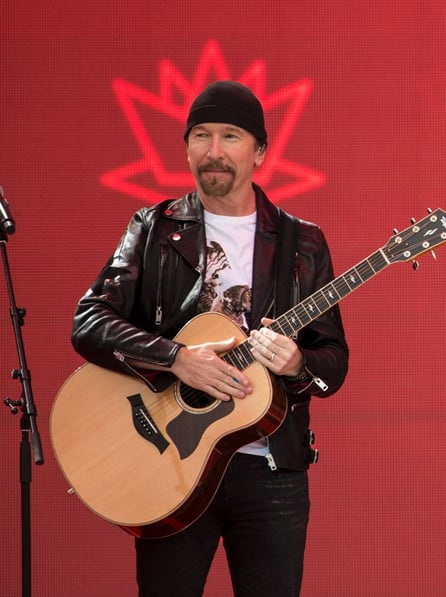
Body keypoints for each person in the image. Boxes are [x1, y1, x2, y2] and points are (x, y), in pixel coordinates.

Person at [71, 80, 349, 596]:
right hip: (171, 467)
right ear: (186, 147)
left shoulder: (301, 242)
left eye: (231, 136)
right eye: (201, 135)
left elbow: (333, 360)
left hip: (270, 470)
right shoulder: (154, 227)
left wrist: (295, 364)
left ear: (260, 151)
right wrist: (175, 358)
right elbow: (89, 323)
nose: (214, 151)